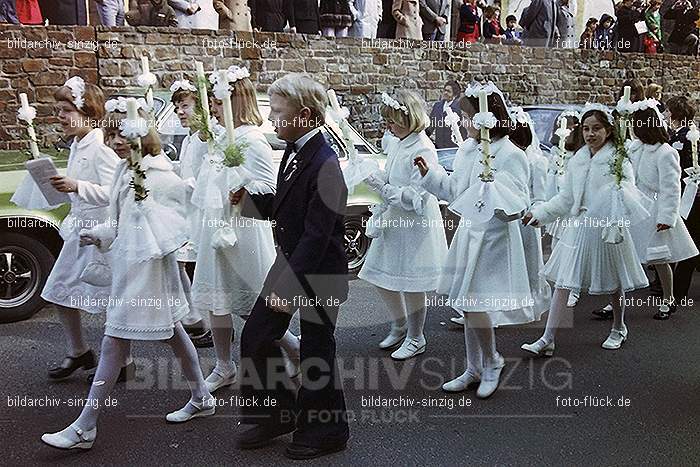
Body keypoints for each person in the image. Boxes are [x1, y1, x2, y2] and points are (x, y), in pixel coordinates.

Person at [41, 104, 215, 450]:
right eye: (112, 135)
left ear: (140, 134)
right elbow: (119, 219)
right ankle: (202, 396)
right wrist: (100, 233)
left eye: (122, 134)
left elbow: (176, 220)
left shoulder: (158, 174)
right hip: (128, 268)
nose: (116, 142)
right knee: (174, 333)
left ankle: (84, 426)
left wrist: (146, 222)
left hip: (147, 272)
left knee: (113, 340)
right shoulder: (124, 171)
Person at [231, 74, 350, 460]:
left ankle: (328, 430)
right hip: (294, 262)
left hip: (319, 272)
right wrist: (250, 201)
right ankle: (276, 413)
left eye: (278, 114)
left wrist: (289, 287)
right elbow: (288, 207)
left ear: (303, 115)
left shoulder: (326, 162)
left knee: (317, 351)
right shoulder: (294, 149)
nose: (272, 121)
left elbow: (318, 234)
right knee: (255, 335)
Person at [415, 83, 539, 398]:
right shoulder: (468, 150)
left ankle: (493, 360)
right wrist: (430, 175)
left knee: (477, 303)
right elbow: (455, 190)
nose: (464, 123)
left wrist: (493, 189)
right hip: (470, 234)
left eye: (468, 117)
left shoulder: (511, 153)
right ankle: (474, 366)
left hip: (495, 238)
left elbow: (519, 201)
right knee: (468, 305)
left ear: (487, 117)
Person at [193, 67, 298, 394]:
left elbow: (270, 188)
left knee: (256, 303)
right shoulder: (221, 138)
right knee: (216, 299)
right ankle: (224, 365)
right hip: (216, 229)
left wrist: (245, 190)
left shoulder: (252, 141)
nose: (211, 104)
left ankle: (295, 349)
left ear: (235, 100)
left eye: (216, 97)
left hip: (244, 232)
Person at [521, 105, 649, 355]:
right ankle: (548, 338)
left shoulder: (618, 159)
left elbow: (630, 194)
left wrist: (617, 196)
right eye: (586, 129)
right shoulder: (578, 159)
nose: (591, 134)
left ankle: (618, 327)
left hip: (606, 226)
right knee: (563, 283)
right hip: (579, 226)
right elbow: (566, 199)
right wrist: (540, 214)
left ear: (609, 130)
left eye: (597, 129)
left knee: (614, 282)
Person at [40, 77, 121, 381]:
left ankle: (122, 363)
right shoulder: (77, 144)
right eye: (57, 110)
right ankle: (79, 351)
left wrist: (78, 186)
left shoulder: (101, 147)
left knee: (112, 301)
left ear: (87, 110)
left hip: (101, 235)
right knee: (59, 290)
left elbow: (115, 192)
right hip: (79, 231)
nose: (59, 116)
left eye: (65, 110)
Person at [359, 90, 448, 360]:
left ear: (408, 118)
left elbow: (415, 196)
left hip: (414, 224)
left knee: (412, 282)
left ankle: (416, 336)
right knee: (379, 275)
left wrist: (383, 188)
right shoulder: (399, 141)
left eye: (393, 121)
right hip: (394, 221)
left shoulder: (423, 147)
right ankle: (399, 325)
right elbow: (393, 173)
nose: (388, 127)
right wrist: (373, 174)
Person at [627, 100, 698, 319]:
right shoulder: (635, 149)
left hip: (656, 208)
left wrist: (667, 215)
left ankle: (668, 300)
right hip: (636, 206)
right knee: (625, 255)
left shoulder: (665, 152)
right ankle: (616, 300)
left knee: (659, 258)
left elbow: (671, 187)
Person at [170, 80, 213, 347]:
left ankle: (203, 320)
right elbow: (185, 171)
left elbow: (208, 179)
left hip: (202, 214)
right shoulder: (188, 139)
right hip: (187, 213)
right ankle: (200, 319)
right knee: (182, 263)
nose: (179, 112)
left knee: (202, 269)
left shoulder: (205, 139)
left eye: (184, 105)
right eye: (177, 107)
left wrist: (181, 184)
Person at [545, 111, 585, 307]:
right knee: (556, 247)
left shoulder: (580, 155)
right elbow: (550, 176)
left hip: (573, 208)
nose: (565, 131)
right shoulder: (555, 152)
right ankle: (560, 285)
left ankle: (574, 289)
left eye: (569, 128)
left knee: (572, 249)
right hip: (558, 205)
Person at [665, 96, 700, 303]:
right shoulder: (675, 136)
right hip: (680, 194)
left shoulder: (690, 137)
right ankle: (670, 286)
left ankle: (678, 290)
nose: (666, 115)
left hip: (688, 197)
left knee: (687, 241)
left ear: (676, 114)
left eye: (669, 111)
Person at [426, 80, 466, 149]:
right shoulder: (437, 106)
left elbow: (463, 130)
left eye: (448, 91)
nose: (445, 93)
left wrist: (462, 146)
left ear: (455, 94)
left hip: (453, 147)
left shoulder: (459, 108)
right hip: (439, 147)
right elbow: (431, 126)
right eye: (445, 90)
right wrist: (424, 137)